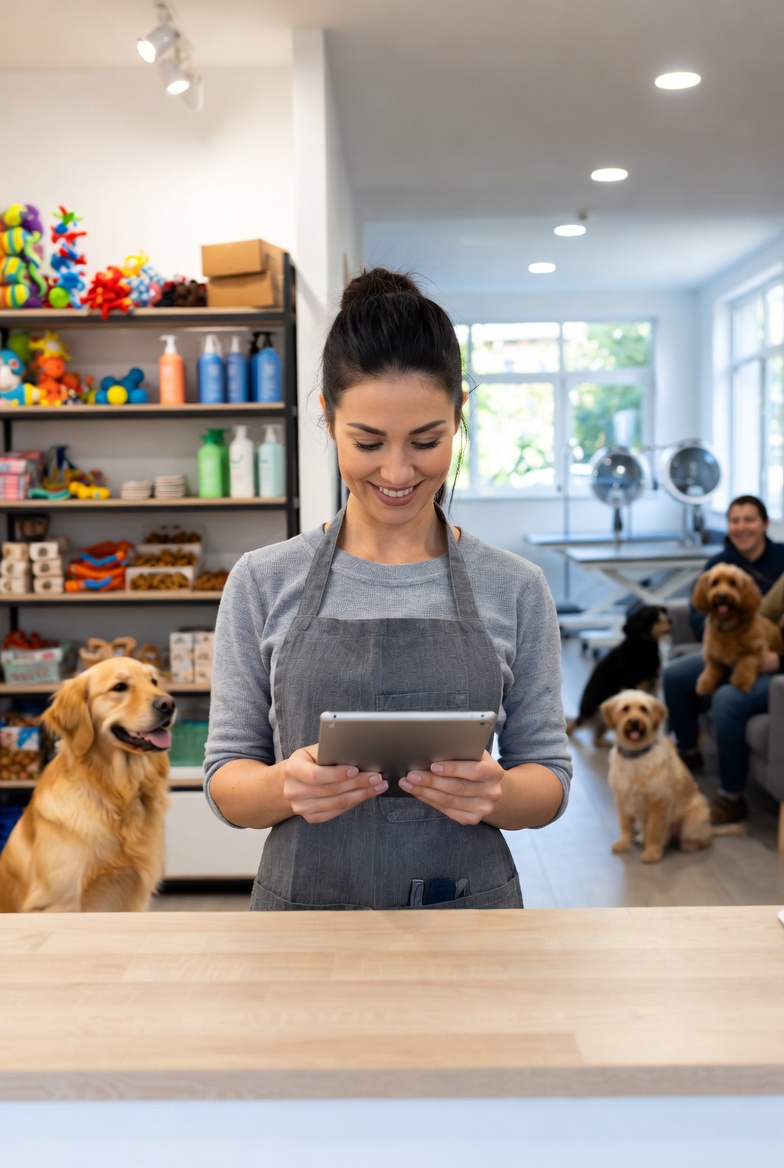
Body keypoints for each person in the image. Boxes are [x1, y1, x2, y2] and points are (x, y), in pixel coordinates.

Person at [204, 267, 572, 911]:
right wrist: (284, 787)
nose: (398, 472)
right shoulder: (263, 581)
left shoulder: (516, 588)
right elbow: (227, 777)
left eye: (427, 441)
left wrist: (500, 795)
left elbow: (549, 775)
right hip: (302, 929)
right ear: (327, 417)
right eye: (368, 442)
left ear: (459, 418)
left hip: (471, 925)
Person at [663, 495, 784, 824]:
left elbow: (769, 627)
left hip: (764, 655)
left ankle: (732, 795)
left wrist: (776, 658)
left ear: (764, 524)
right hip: (721, 648)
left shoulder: (781, 560)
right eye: (735, 520)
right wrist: (715, 634)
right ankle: (688, 753)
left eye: (749, 520)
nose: (742, 527)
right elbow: (698, 612)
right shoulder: (717, 562)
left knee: (727, 698)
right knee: (675, 676)